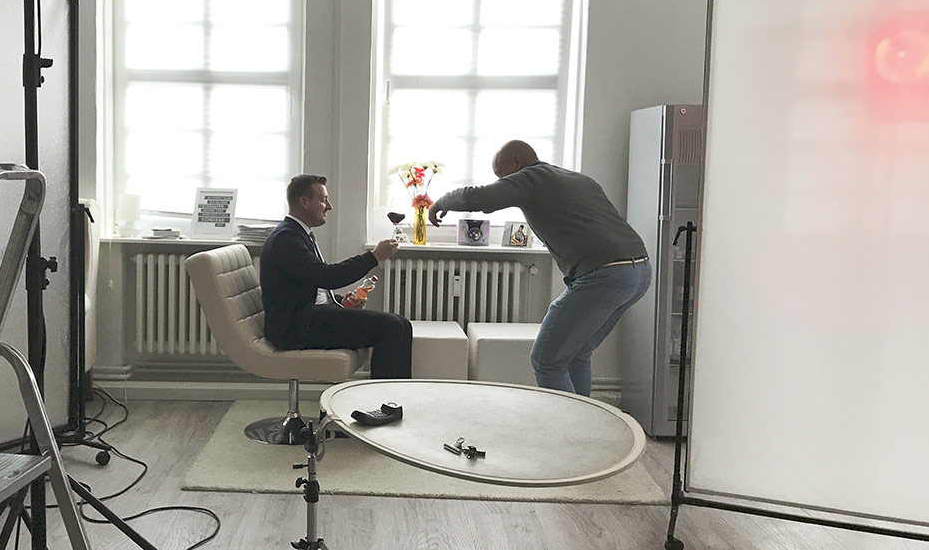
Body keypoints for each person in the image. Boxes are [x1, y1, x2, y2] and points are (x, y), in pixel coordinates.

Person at [428, 140, 651, 396]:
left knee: (547, 360)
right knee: (577, 353)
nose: (502, 181)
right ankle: (583, 420)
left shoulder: (531, 178)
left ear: (516, 162)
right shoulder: (578, 179)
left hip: (605, 275)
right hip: (639, 271)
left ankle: (567, 422)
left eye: (502, 174)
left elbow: (480, 198)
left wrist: (441, 202)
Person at [260, 174, 413, 379]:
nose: (329, 206)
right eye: (323, 200)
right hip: (293, 328)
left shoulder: (298, 234)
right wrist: (374, 257)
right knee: (391, 326)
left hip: (306, 317)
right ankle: (382, 397)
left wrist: (341, 301)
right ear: (304, 202)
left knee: (403, 324)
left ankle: (398, 394)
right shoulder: (286, 238)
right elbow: (327, 276)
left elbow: (313, 283)